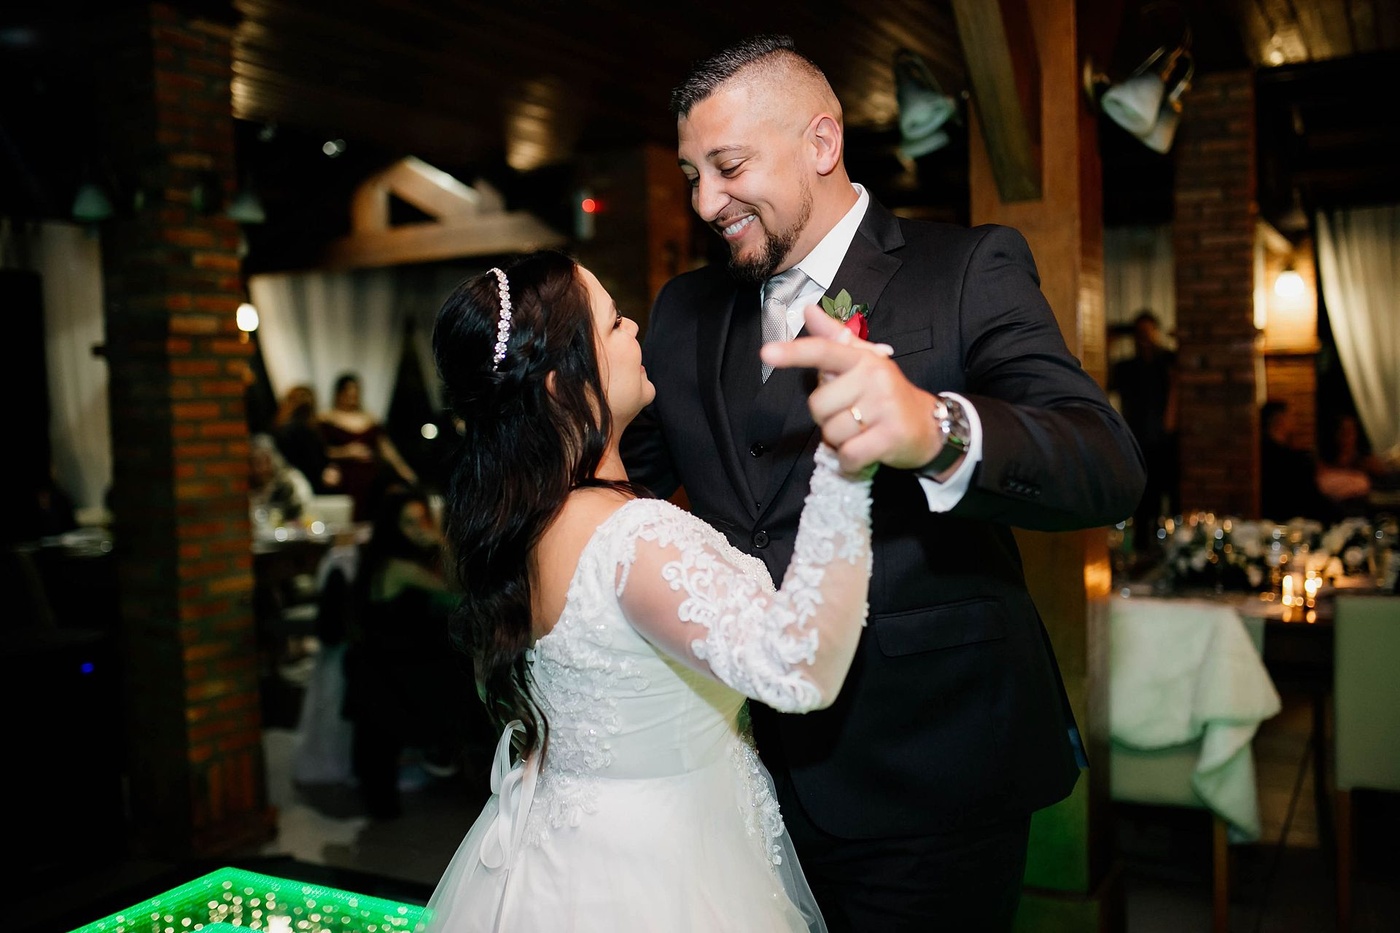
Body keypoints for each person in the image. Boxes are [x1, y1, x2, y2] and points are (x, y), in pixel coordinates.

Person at [619, 35, 1145, 931]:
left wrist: (935, 430)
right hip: (739, 777)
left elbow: (1106, 462)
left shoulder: (966, 270)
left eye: (729, 167)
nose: (705, 201)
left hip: (934, 774)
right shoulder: (683, 309)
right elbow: (626, 488)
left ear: (822, 143)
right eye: (691, 174)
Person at [422, 250, 877, 931]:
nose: (635, 327)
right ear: (562, 385)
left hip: (563, 855)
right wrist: (848, 463)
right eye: (613, 322)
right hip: (661, 873)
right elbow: (800, 665)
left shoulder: (525, 522)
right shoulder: (631, 540)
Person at [341, 482, 482, 819]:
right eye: (409, 522)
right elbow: (457, 593)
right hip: (392, 669)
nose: (418, 529)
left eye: (423, 520)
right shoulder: (398, 567)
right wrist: (442, 542)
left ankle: (446, 763)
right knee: (468, 686)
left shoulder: (385, 561)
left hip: (387, 663)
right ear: (393, 527)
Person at [1109, 309, 1179, 555]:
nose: (1145, 339)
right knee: (1141, 497)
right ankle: (1142, 549)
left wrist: (1170, 420)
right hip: (1137, 439)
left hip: (1165, 440)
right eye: (1140, 333)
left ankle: (1168, 547)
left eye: (1149, 332)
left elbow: (1179, 387)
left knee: (1168, 494)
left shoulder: (1168, 361)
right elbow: (1106, 381)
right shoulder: (1128, 367)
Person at [319, 372, 419, 521]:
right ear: (339, 394)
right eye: (348, 393)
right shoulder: (326, 419)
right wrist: (346, 452)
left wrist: (404, 471)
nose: (352, 397)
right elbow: (319, 451)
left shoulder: (370, 419)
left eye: (355, 393)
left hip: (371, 477)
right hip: (344, 477)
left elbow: (387, 450)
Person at [1260, 400, 1341, 523]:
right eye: (1291, 416)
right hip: (1292, 521)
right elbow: (1310, 496)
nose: (1295, 421)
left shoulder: (1261, 454)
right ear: (1280, 420)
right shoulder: (1292, 459)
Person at [271, 384, 340, 494]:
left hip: (296, 479)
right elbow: (310, 457)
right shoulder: (302, 429)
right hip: (307, 481)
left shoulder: (282, 426)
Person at [248, 432, 314, 529]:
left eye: (262, 461)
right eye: (253, 462)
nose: (258, 469)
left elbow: (301, 512)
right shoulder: (248, 485)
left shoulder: (289, 480)